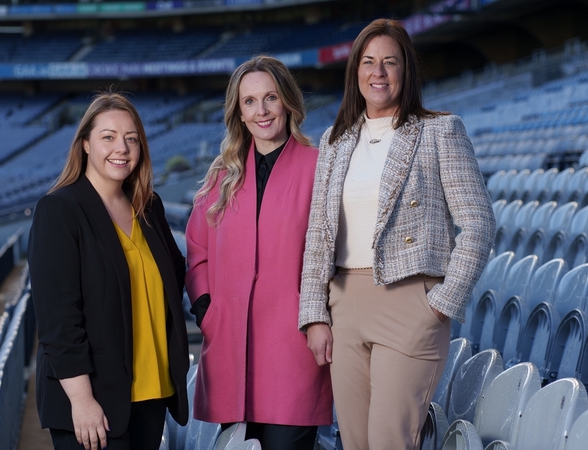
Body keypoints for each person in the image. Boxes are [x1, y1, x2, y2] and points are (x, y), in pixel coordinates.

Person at [299, 19, 496, 450]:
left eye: (390, 62)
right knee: (355, 442)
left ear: (406, 70)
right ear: (355, 70)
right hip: (344, 306)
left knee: (389, 440)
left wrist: (440, 303)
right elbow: (318, 234)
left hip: (410, 305)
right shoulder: (334, 140)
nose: (379, 72)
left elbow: (479, 223)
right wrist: (314, 315)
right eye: (369, 62)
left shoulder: (440, 131)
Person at [185, 55, 333, 450]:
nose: (261, 111)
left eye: (270, 98)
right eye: (249, 101)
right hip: (230, 346)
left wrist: (317, 317)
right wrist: (207, 312)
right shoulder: (221, 176)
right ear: (239, 112)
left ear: (288, 101)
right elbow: (197, 251)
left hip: (293, 349)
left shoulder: (320, 168)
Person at [28, 91, 189, 450]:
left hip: (151, 392)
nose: (122, 148)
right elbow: (58, 320)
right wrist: (81, 400)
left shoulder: (148, 206)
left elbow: (174, 277)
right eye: (108, 137)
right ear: (85, 144)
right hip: (94, 401)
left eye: (132, 139)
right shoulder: (59, 210)